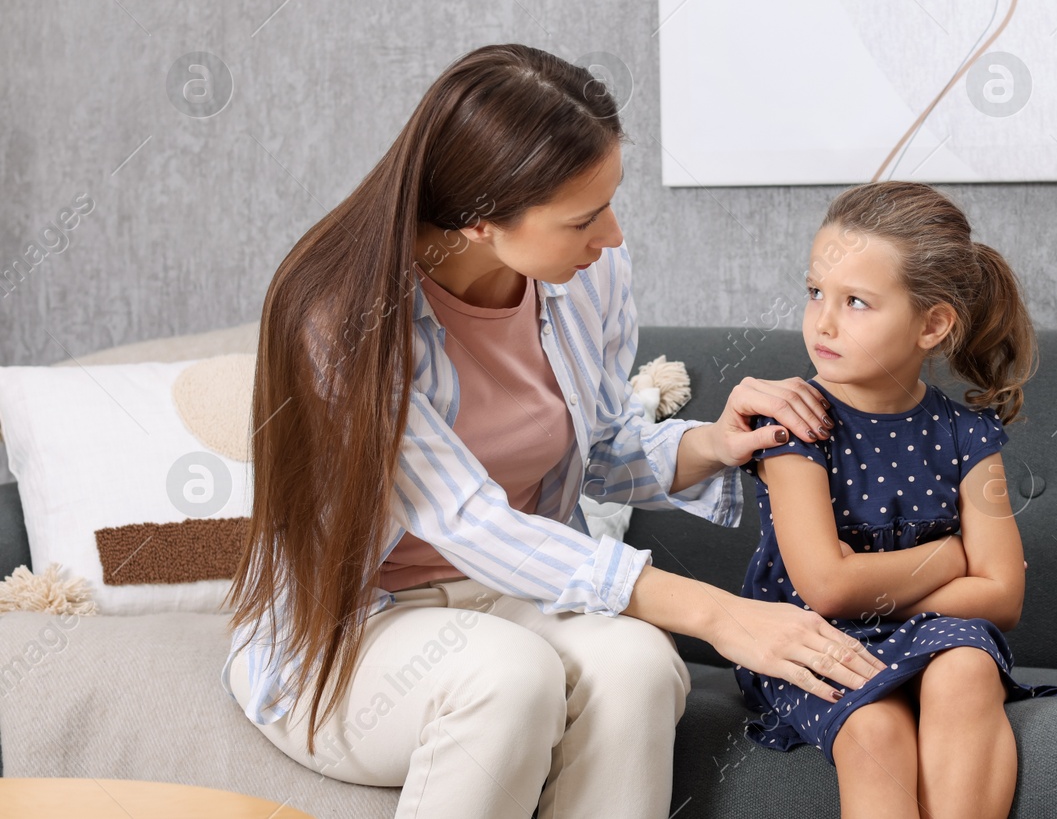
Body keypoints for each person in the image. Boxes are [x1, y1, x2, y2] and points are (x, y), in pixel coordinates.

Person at [221, 44, 887, 819]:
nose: (610, 235)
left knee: (640, 666)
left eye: (610, 201)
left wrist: (713, 441)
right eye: (582, 218)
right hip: (355, 623)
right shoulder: (340, 316)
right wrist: (723, 615)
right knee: (506, 678)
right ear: (478, 222)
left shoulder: (585, 273)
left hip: (511, 593)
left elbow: (598, 448)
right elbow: (464, 517)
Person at [732, 180, 1057, 819]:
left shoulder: (968, 435)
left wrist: (873, 580)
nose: (825, 321)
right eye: (815, 293)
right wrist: (952, 559)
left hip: (938, 635)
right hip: (817, 640)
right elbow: (828, 591)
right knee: (877, 729)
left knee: (967, 669)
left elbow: (1003, 596)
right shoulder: (795, 424)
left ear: (932, 324)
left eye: (857, 302)